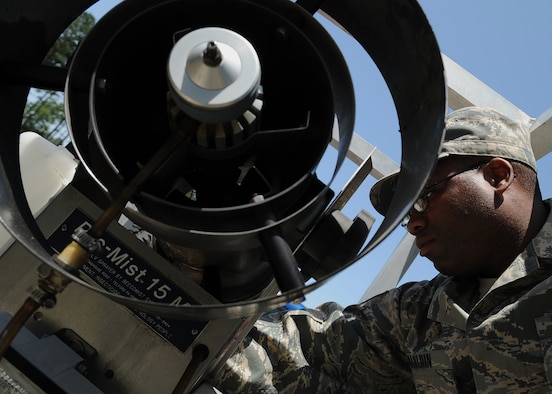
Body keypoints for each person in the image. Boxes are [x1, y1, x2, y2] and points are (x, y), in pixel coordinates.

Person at [208, 107, 552, 393]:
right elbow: (301, 351)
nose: (413, 225)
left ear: (496, 176)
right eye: (406, 215)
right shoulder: (421, 313)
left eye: (422, 199)